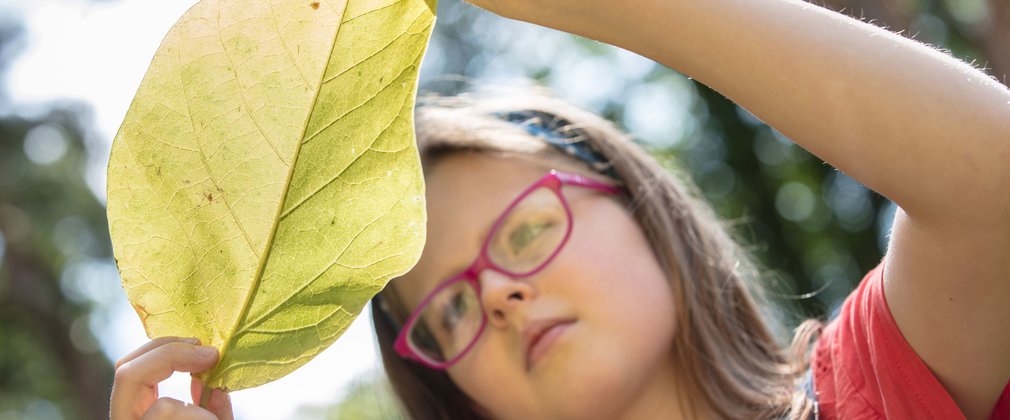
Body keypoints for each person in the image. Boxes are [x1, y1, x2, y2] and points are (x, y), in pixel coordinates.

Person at [109, 0, 1010, 419]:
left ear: (639, 207)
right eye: (450, 308)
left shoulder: (867, 393)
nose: (497, 296)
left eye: (528, 230)